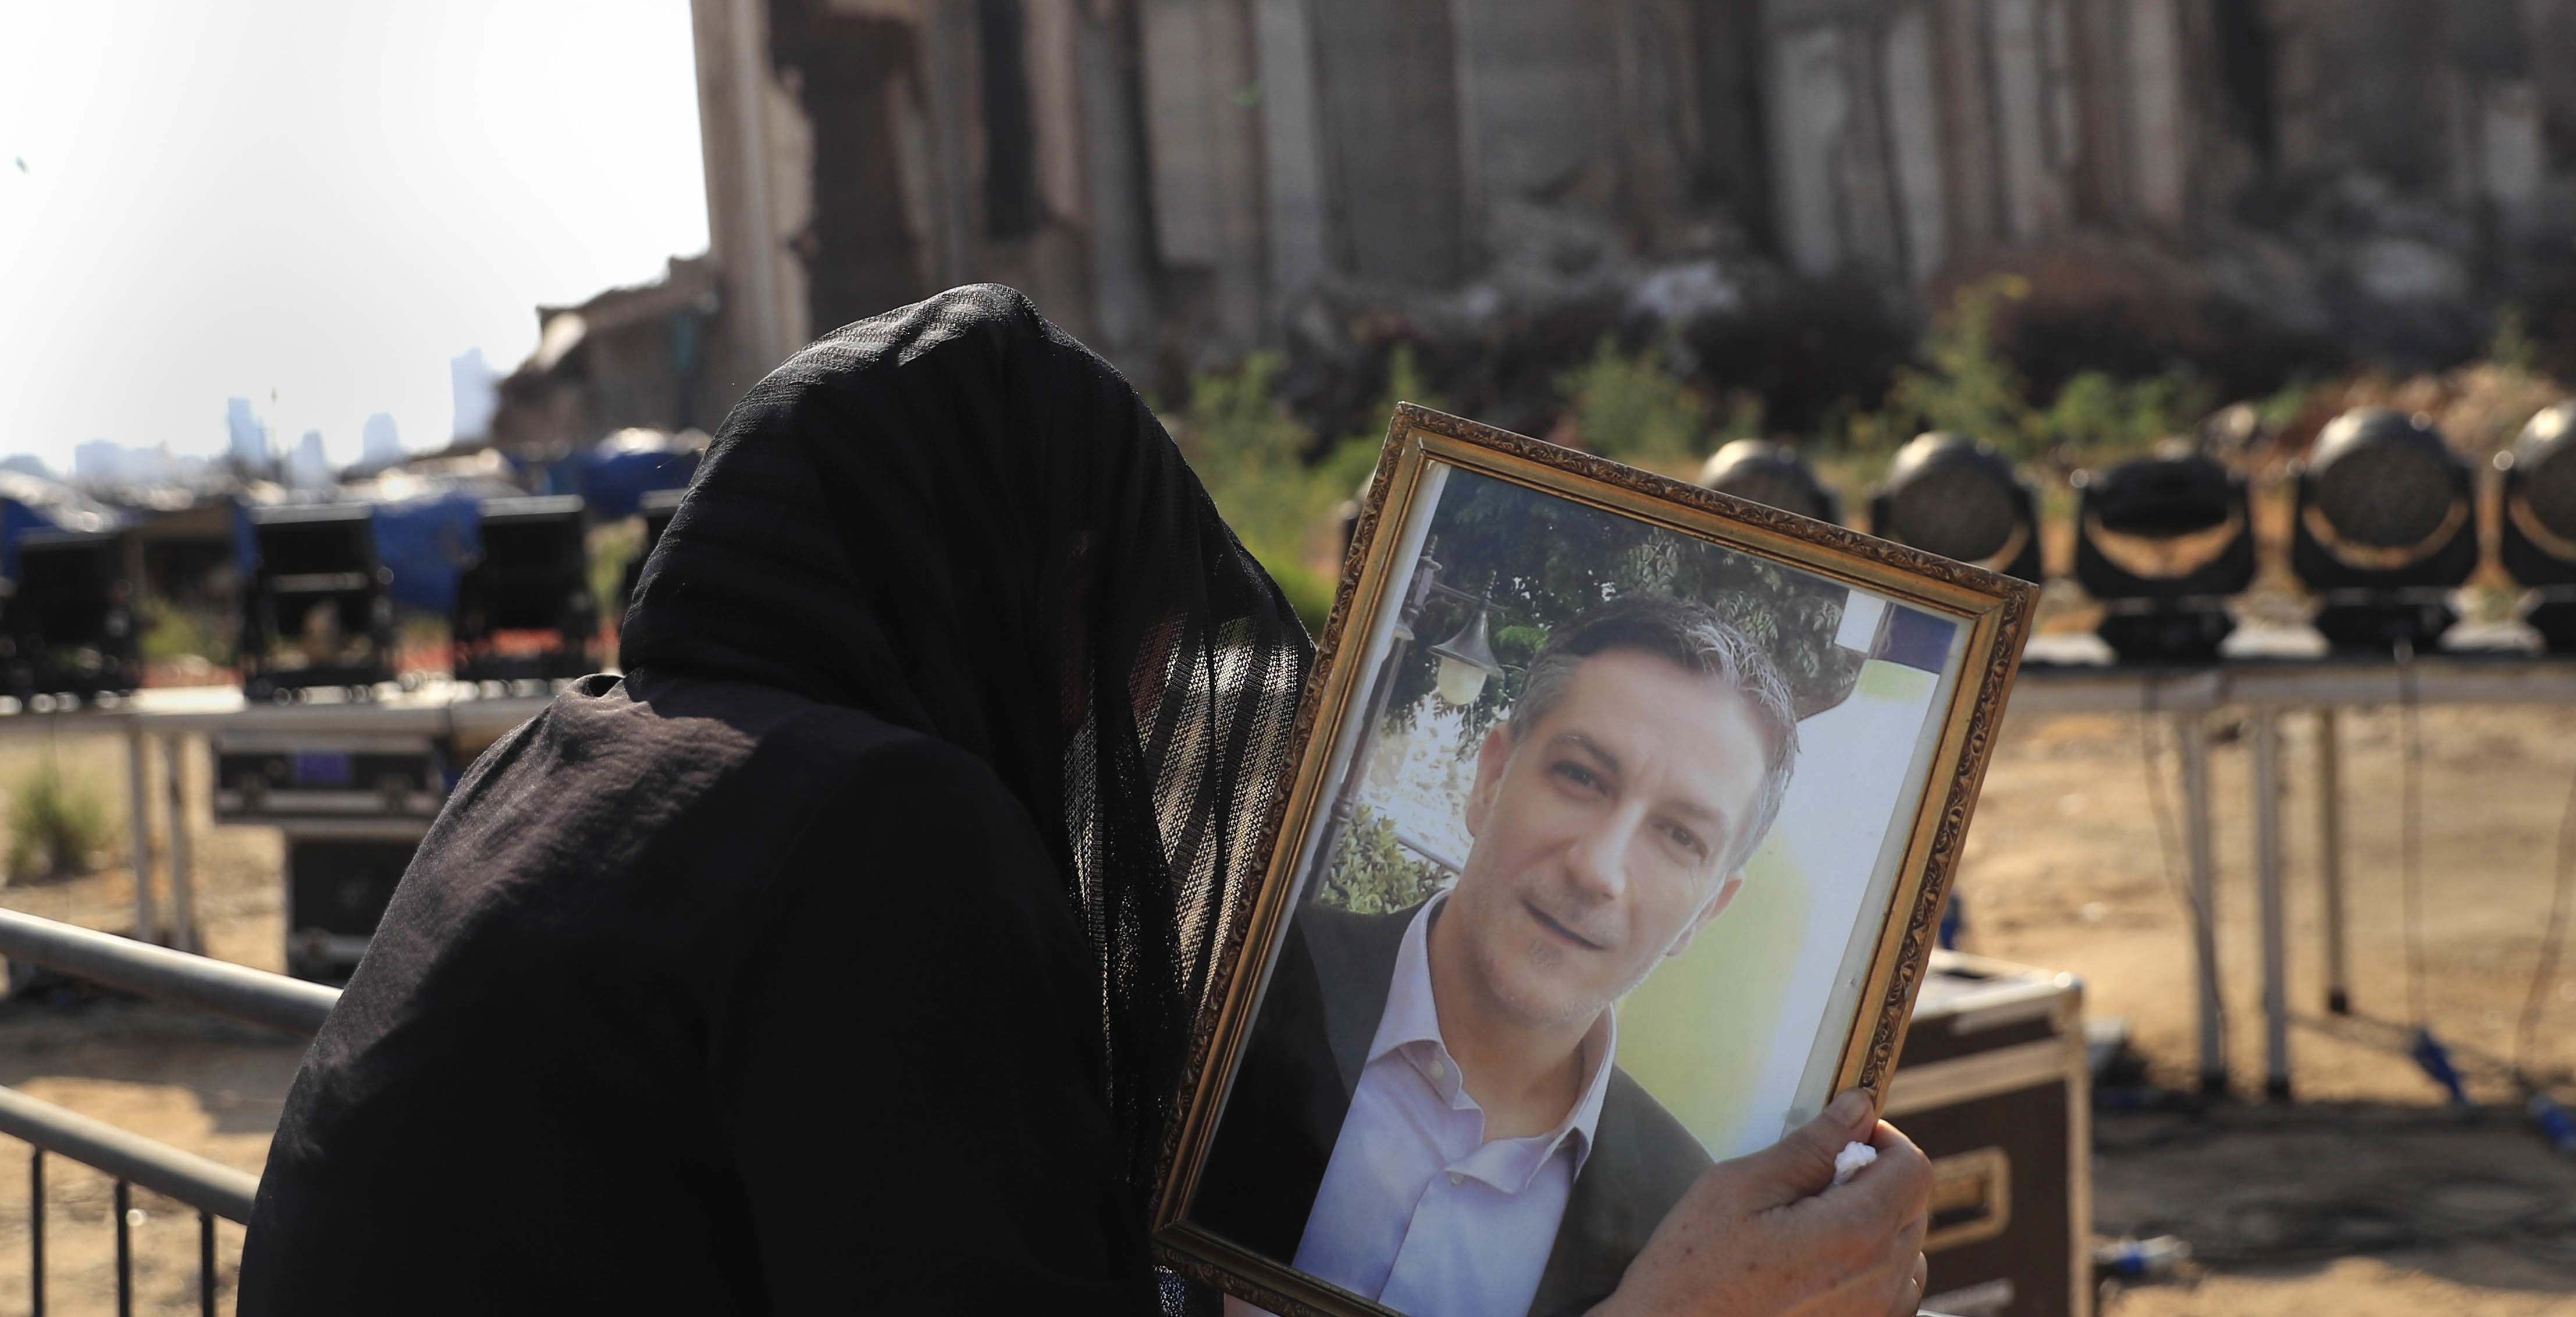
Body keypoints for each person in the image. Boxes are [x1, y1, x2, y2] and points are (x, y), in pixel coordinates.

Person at [237, 286, 1930, 1315]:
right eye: (1125, 651)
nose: (1120, 727)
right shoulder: (875, 835)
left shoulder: (575, 761)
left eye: (1685, 832)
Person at [1192, 598, 1927, 1317]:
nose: (1598, 869)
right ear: (1489, 779)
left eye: (1677, 835)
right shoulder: (1223, 980)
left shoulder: (1695, 1223)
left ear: (1706, 911)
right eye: (1580, 776)